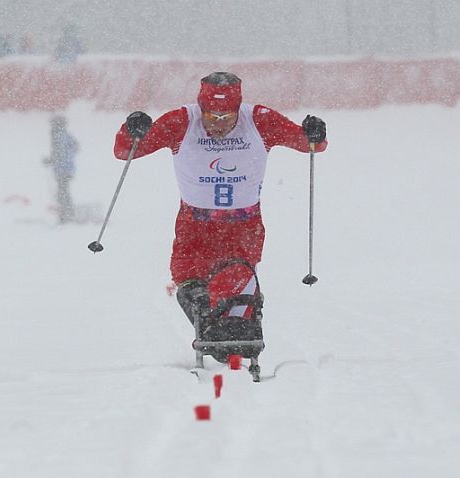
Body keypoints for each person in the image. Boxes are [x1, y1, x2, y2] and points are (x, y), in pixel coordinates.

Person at [113, 72, 327, 362]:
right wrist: (132, 129)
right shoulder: (182, 121)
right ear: (201, 107)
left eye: (227, 117)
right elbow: (125, 151)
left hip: (242, 227)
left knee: (233, 287)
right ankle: (216, 334)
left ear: (238, 108)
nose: (219, 125)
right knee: (189, 285)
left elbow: (310, 145)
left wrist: (314, 132)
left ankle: (238, 337)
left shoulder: (259, 120)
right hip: (194, 226)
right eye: (211, 117)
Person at [43, 115, 78, 223]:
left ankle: (66, 215)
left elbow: (59, 153)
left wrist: (51, 160)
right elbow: (74, 147)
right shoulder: (65, 135)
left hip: (62, 169)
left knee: (62, 192)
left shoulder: (58, 136)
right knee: (63, 191)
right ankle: (67, 214)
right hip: (66, 169)